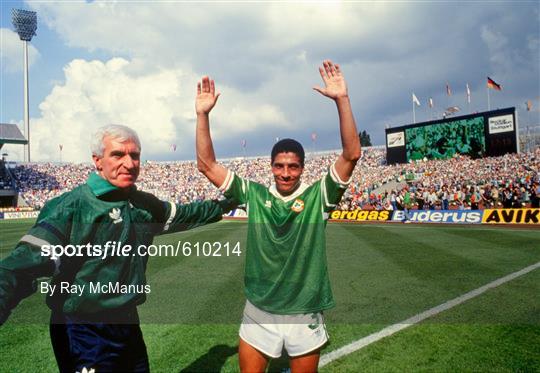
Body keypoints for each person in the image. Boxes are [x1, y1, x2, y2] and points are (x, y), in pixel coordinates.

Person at [0, 124, 234, 372]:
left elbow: (188, 213)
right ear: (97, 161)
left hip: (127, 322)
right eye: (118, 155)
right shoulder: (72, 207)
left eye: (135, 155)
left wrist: (233, 199)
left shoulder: (143, 204)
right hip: (82, 329)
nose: (129, 163)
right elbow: (19, 268)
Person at [195, 60, 361, 372]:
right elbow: (207, 165)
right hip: (260, 309)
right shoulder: (253, 195)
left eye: (293, 166)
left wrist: (342, 100)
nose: (286, 173)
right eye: (279, 166)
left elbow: (352, 154)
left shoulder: (318, 197)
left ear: (302, 168)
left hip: (304, 310)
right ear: (271, 166)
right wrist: (202, 116)